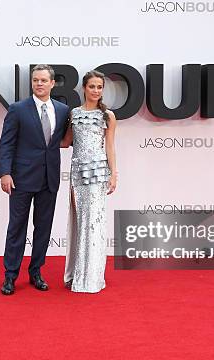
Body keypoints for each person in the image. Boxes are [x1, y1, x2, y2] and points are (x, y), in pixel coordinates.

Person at [0, 64, 70, 295]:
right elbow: (6, 143)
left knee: (43, 228)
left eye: (43, 80)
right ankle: (10, 276)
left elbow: (66, 140)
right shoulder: (18, 109)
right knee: (16, 228)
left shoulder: (62, 110)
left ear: (52, 83)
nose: (38, 84)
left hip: (49, 179)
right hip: (20, 179)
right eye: (35, 80)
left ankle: (36, 271)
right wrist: (5, 173)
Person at [62, 70, 118, 293]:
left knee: (94, 224)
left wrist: (114, 174)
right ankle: (78, 274)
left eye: (99, 87)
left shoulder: (108, 116)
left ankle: (91, 278)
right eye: (92, 86)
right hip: (77, 174)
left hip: (97, 175)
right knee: (80, 223)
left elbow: (110, 146)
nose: (96, 90)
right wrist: (36, 139)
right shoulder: (74, 114)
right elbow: (65, 142)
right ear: (84, 88)